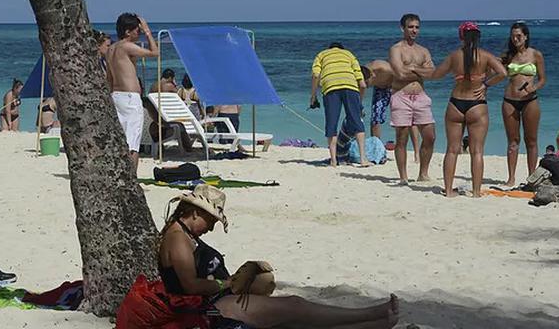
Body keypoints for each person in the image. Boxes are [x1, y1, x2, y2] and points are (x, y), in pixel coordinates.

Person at [152, 184, 399, 328]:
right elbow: (189, 285)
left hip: (213, 303)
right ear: (195, 213)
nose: (212, 227)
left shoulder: (182, 234)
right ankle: (372, 317)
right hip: (209, 310)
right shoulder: (178, 240)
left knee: (290, 314)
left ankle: (374, 320)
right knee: (294, 307)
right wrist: (227, 283)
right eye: (211, 220)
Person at [428, 22, 506, 197]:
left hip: (456, 103)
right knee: (477, 151)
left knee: (452, 150)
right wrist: (486, 84)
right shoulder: (485, 56)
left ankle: (448, 191)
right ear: (478, 37)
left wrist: (418, 70)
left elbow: (436, 75)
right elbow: (502, 73)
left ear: (461, 36)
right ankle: (476, 192)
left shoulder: (454, 56)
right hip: (476, 105)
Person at [106, 13, 159, 173]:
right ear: (128, 32)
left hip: (115, 96)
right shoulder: (126, 46)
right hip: (129, 98)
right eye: (138, 31)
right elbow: (155, 53)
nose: (140, 33)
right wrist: (148, 31)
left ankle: (121, 176)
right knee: (132, 144)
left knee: (120, 140)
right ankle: (131, 180)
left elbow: (108, 77)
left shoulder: (111, 49)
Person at [388, 14, 436, 184]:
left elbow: (433, 73)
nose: (414, 30)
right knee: (402, 138)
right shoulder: (396, 49)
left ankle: (423, 173)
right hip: (401, 95)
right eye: (411, 27)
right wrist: (420, 70)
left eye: (417, 27)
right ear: (403, 28)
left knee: (430, 135)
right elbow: (399, 74)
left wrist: (413, 68)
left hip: (421, 96)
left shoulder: (423, 51)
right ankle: (403, 177)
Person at [498, 22, 547, 186]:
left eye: (519, 36)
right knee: (512, 141)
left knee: (531, 140)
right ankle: (511, 178)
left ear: (526, 36)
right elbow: (496, 73)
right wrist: (484, 85)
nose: (515, 39)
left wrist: (534, 87)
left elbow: (542, 79)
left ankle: (531, 177)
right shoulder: (508, 56)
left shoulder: (536, 55)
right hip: (509, 100)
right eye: (513, 36)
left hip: (530, 101)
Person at [310, 43, 368, 167]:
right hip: (350, 87)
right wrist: (359, 104)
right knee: (357, 122)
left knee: (331, 124)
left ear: (329, 49)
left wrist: (313, 96)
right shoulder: (349, 54)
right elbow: (363, 84)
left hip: (331, 88)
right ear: (341, 49)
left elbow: (315, 75)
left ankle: (334, 161)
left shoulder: (321, 55)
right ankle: (363, 159)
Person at [364, 60, 422, 162]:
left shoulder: (383, 68)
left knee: (408, 119)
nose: (366, 86)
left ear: (373, 75)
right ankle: (377, 151)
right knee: (375, 118)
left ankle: (417, 153)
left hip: (396, 86)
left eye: (367, 83)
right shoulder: (362, 74)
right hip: (380, 89)